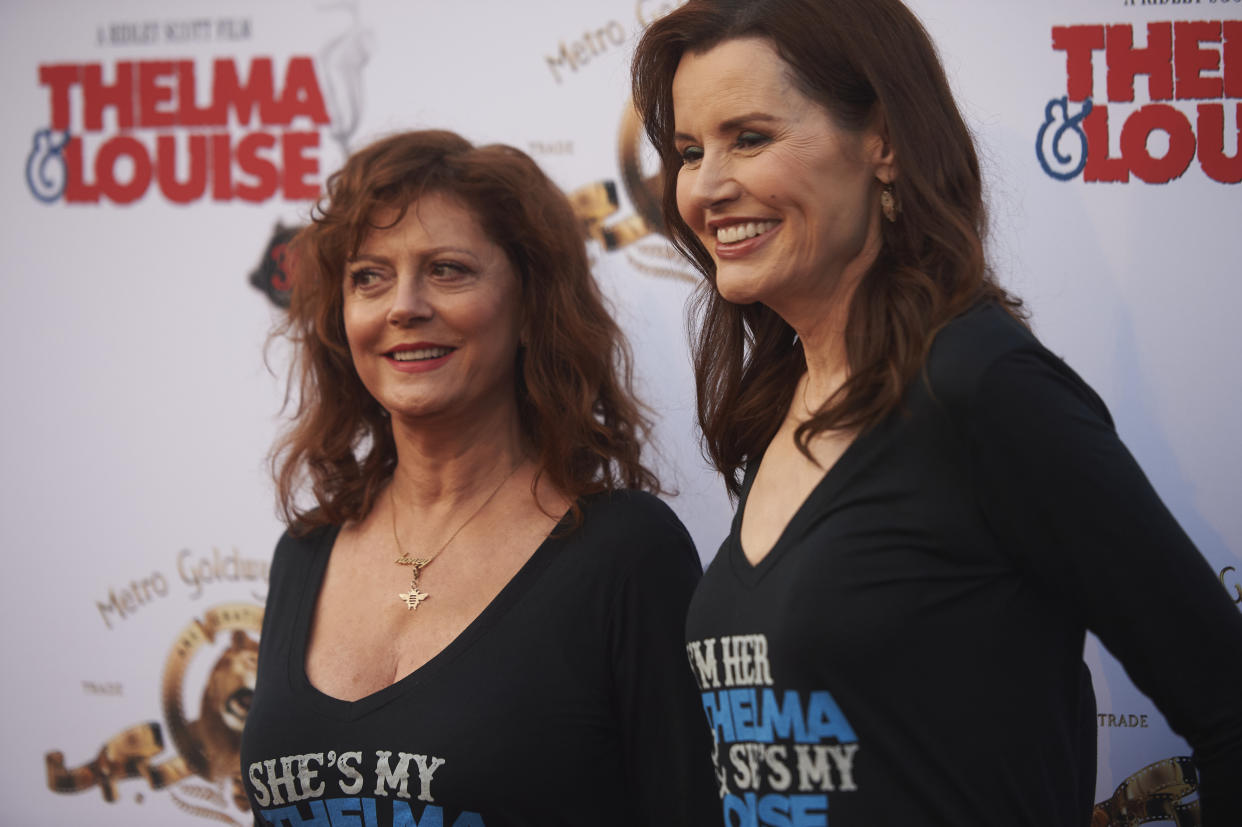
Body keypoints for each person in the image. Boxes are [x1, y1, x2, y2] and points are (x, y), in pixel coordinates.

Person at [631, 1, 1242, 824]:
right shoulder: (777, 413)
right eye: (689, 152)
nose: (706, 186)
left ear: (882, 141)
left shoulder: (982, 386)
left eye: (750, 137)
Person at [240, 130, 717, 826]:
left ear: (530, 305)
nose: (404, 305)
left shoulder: (625, 555)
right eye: (368, 276)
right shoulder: (304, 554)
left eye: (448, 269)